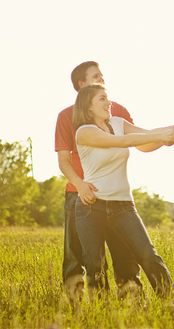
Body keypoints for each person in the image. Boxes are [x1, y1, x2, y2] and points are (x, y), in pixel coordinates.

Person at [72, 83, 174, 298]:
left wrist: (169, 134)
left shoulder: (118, 123)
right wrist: (161, 136)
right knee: (95, 264)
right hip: (91, 208)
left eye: (108, 98)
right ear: (88, 107)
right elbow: (122, 141)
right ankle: (101, 311)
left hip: (123, 206)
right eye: (102, 99)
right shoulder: (85, 131)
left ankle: (172, 302)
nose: (109, 103)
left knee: (147, 255)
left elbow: (144, 142)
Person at [55, 61, 141, 299]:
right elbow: (63, 160)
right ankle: (79, 306)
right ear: (81, 85)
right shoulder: (65, 116)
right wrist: (81, 186)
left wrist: (164, 136)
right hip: (78, 195)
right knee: (77, 257)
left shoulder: (119, 112)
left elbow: (137, 141)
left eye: (102, 76)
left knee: (125, 254)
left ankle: (131, 304)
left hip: (115, 197)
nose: (102, 80)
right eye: (96, 77)